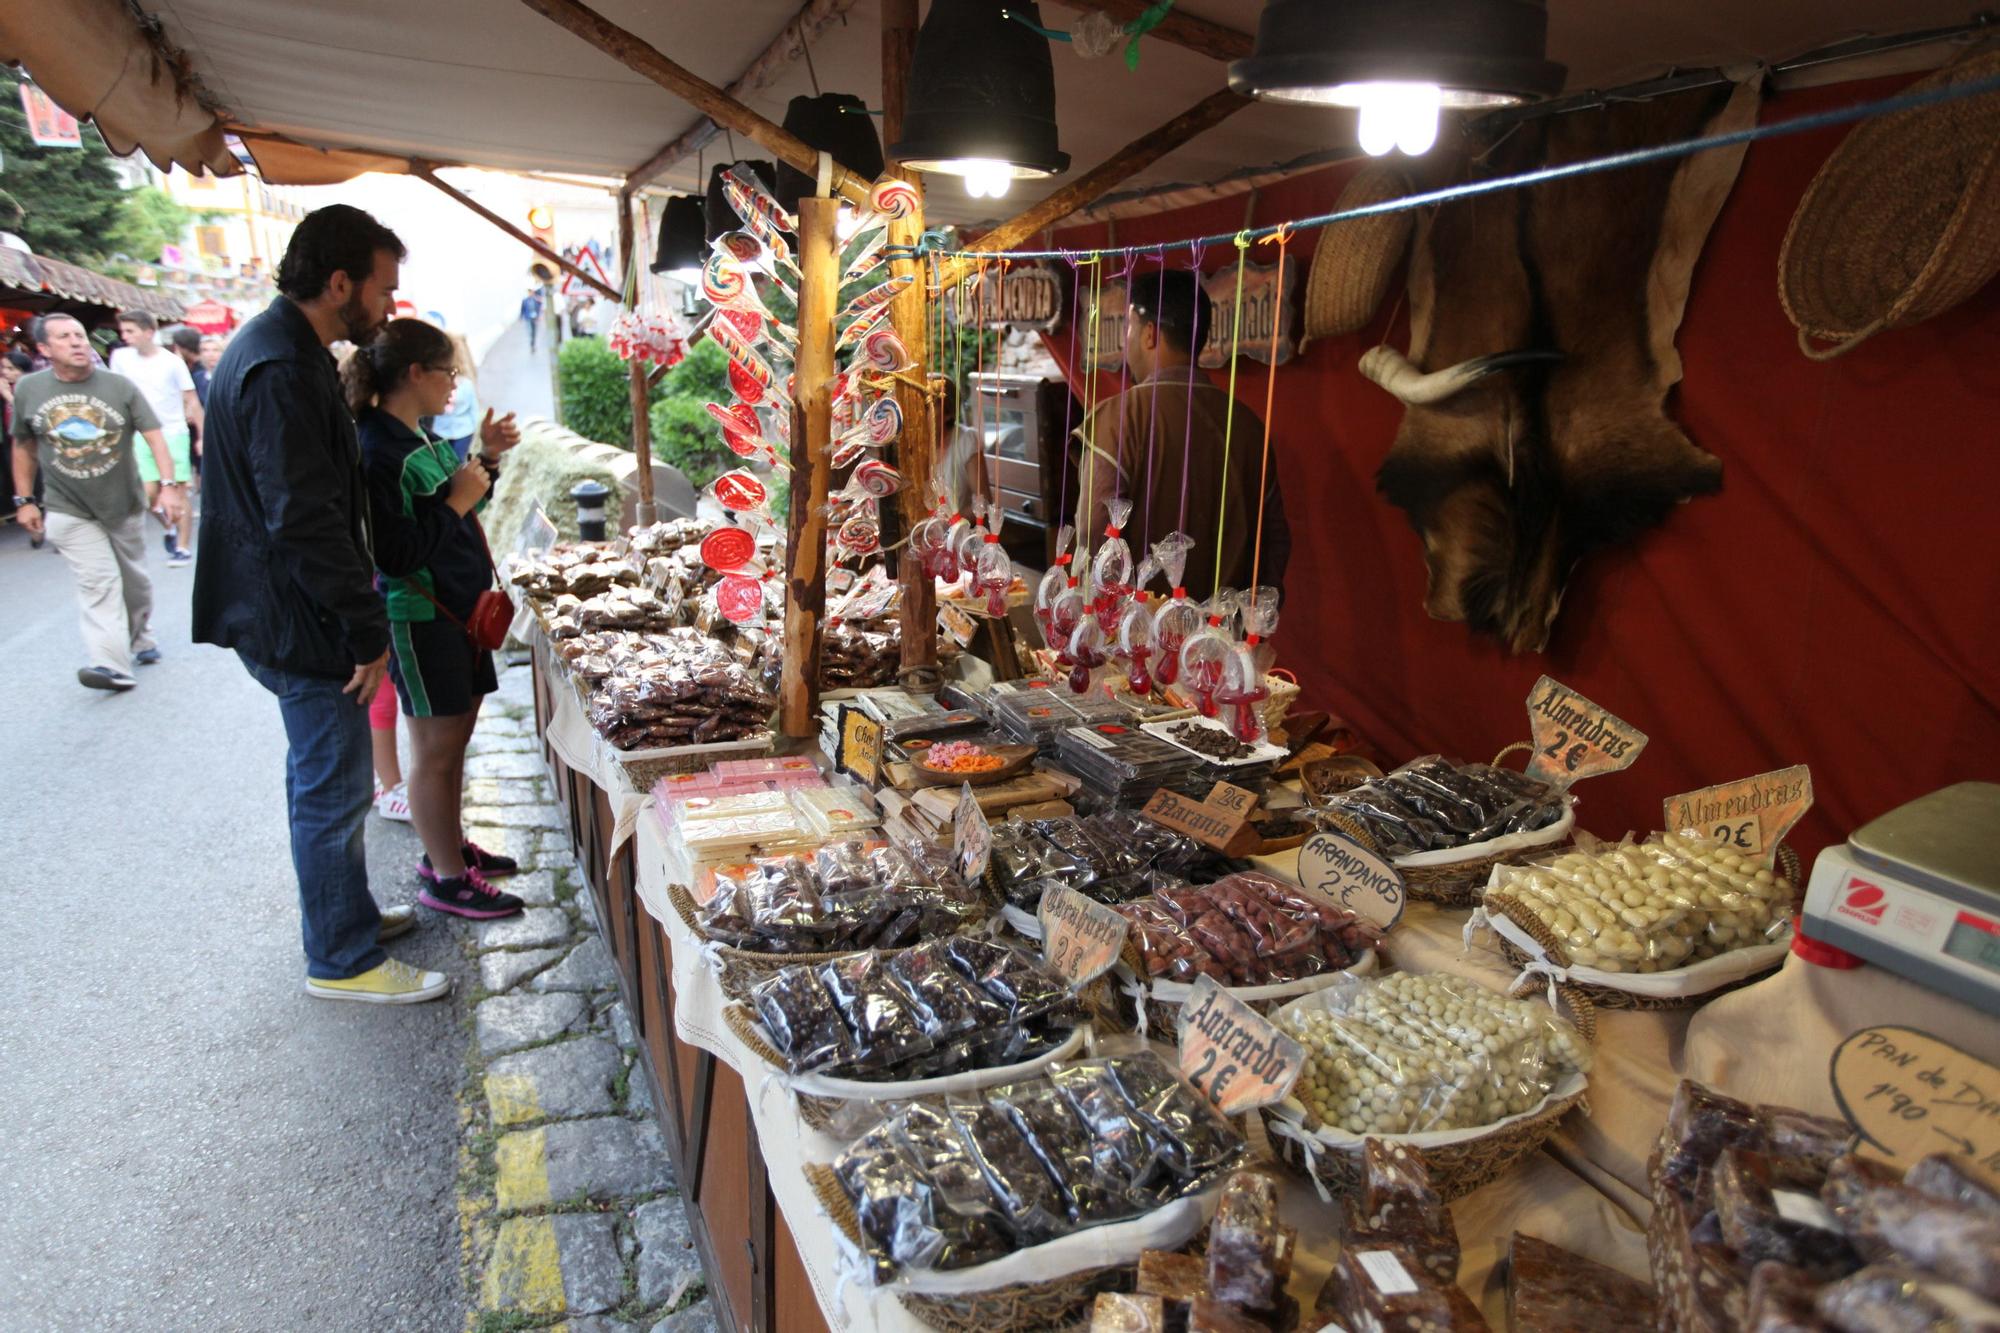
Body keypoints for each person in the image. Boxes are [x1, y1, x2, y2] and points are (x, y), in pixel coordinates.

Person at [194, 203, 448, 1005]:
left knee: (328, 780)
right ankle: (341, 958)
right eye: (382, 289)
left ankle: (351, 915)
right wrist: (364, 627)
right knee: (331, 787)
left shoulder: (288, 353)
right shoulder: (279, 367)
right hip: (298, 617)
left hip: (296, 609)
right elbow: (301, 517)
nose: (388, 307)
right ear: (339, 283)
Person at [346, 318, 526, 920]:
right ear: (415, 373)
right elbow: (396, 552)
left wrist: (487, 460)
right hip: (423, 618)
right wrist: (458, 498)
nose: (455, 383)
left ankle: (446, 845)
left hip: (456, 614)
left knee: (454, 743)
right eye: (448, 371)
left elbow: (453, 501)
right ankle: (446, 877)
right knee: (435, 751)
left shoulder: (412, 434)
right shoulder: (377, 446)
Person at [1075, 270, 1291, 597]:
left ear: (1150, 334)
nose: (1125, 342)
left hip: (1136, 639)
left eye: (1129, 329)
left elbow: (1094, 533)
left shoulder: (1117, 419)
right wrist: (1250, 628)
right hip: (1221, 638)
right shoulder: (1248, 425)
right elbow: (1274, 541)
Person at [9, 313, 185, 690]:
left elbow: (155, 437)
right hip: (66, 505)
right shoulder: (29, 390)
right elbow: (23, 446)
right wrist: (24, 499)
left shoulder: (119, 387)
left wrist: (168, 485)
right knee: (99, 583)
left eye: (79, 335)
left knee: (134, 583)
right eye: (64, 337)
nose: (76, 342)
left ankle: (140, 636)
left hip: (122, 502)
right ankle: (111, 664)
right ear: (43, 349)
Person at [110, 310, 202, 566]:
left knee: (177, 493)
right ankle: (169, 526)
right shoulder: (120, 358)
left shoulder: (171, 361)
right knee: (149, 494)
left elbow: (192, 400)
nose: (125, 337)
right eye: (123, 332)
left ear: (149, 332)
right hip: (138, 434)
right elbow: (116, 396)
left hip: (172, 432)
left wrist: (202, 437)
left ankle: (182, 547)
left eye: (131, 331)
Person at [424, 332, 483, 461]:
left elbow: (474, 409)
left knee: (457, 464)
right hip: (440, 430)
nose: (453, 387)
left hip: (462, 431)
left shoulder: (466, 384)